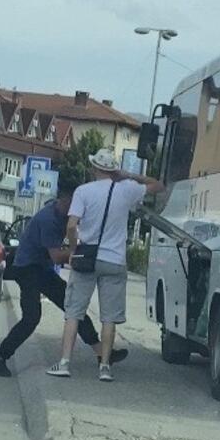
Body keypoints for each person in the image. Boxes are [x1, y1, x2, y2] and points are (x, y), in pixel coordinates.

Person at [0, 181, 128, 378]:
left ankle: (101, 352)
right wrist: (83, 253)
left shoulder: (65, 216)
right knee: (31, 317)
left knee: (73, 308)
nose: (79, 209)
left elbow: (67, 244)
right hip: (27, 269)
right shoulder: (49, 220)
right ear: (65, 200)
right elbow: (57, 256)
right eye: (76, 204)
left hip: (41, 269)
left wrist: (77, 247)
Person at [48, 149, 163, 382]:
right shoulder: (127, 189)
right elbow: (158, 185)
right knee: (109, 317)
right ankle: (105, 368)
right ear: (113, 170)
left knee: (73, 313)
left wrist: (74, 249)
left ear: (94, 169)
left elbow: (71, 225)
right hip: (114, 260)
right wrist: (129, 175)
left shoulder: (83, 191)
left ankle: (64, 363)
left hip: (86, 258)